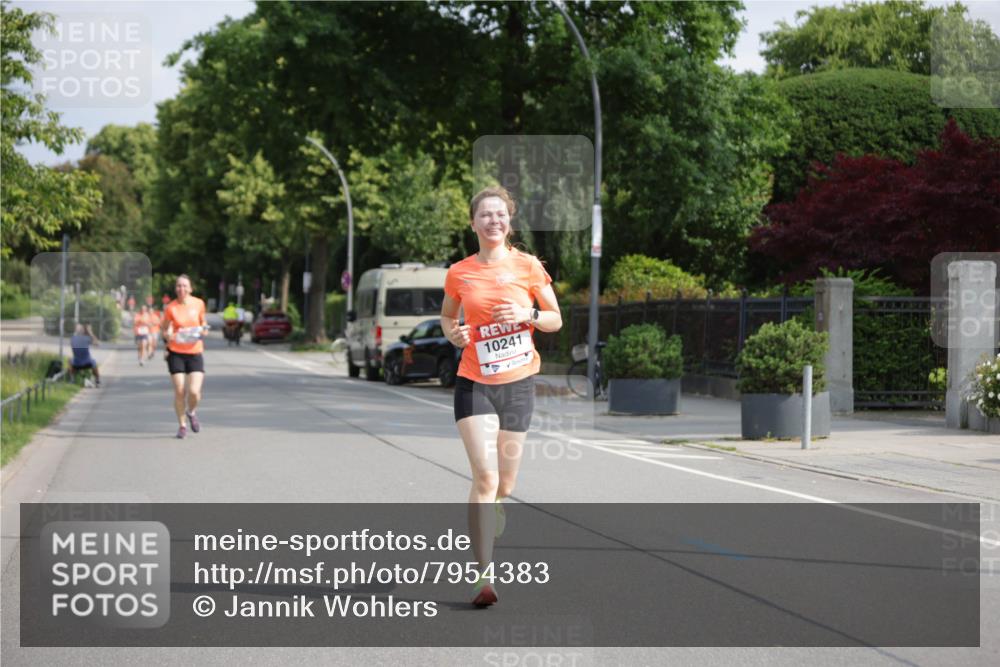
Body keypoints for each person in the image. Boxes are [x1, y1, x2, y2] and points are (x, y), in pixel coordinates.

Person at [440, 185, 562, 607]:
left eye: (500, 214)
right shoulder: (459, 272)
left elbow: (555, 319)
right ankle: (482, 578)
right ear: (473, 223)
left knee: (504, 484)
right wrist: (452, 332)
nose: (493, 220)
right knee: (485, 477)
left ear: (509, 221)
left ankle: (494, 507)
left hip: (518, 383)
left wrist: (527, 313)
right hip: (473, 381)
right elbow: (446, 316)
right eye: (485, 215)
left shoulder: (528, 267)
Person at [162, 274, 208, 439]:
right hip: (176, 352)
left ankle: (191, 412)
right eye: (178, 286)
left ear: (190, 288)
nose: (181, 289)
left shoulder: (198, 303)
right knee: (180, 391)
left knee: (194, 392)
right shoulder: (171, 308)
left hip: (195, 351)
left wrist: (204, 330)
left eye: (184, 286)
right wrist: (167, 335)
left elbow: (203, 323)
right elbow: (165, 329)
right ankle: (182, 426)